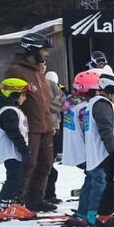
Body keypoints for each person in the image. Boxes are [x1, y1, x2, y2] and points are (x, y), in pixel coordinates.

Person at [4, 32, 56, 213]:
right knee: (28, 165)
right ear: (32, 50)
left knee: (45, 165)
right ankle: (17, 201)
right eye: (43, 50)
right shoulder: (17, 70)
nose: (46, 54)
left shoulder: (38, 72)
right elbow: (6, 97)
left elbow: (43, 100)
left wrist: (51, 122)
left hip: (45, 126)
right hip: (29, 128)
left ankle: (35, 199)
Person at [74, 71, 114, 226]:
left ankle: (83, 214)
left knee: (91, 184)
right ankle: (92, 216)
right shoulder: (102, 105)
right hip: (102, 155)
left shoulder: (93, 104)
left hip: (95, 154)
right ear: (109, 91)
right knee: (99, 187)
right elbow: (106, 130)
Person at [0, 78, 33, 220]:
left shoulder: (11, 110)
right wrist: (24, 151)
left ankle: (11, 203)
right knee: (13, 179)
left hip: (15, 152)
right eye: (23, 95)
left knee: (16, 178)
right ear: (14, 95)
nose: (25, 98)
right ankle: (3, 207)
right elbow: (14, 133)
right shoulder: (8, 112)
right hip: (11, 152)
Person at [43, 70, 66, 206]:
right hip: (49, 130)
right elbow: (63, 106)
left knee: (48, 166)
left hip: (54, 130)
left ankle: (48, 194)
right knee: (47, 167)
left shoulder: (55, 89)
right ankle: (47, 194)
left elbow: (65, 105)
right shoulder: (52, 90)